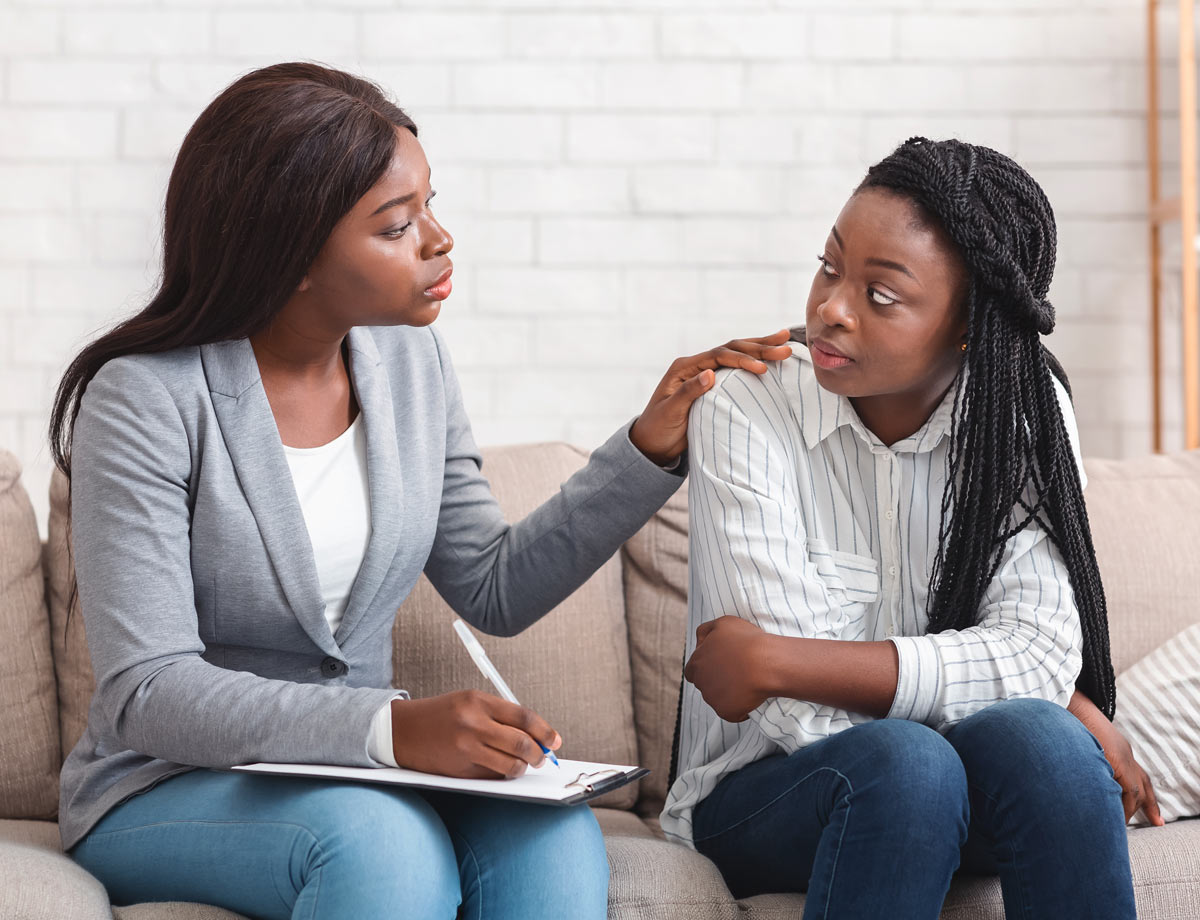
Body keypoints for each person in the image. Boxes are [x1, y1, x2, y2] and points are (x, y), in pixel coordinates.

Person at [47, 62, 791, 920]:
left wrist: (649, 447)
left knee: (550, 835)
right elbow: (150, 690)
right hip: (170, 782)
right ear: (288, 252)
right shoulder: (145, 398)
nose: (439, 241)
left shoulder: (409, 364)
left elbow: (492, 584)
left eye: (432, 207)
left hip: (357, 775)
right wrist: (389, 729)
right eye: (398, 226)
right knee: (380, 846)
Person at [662, 137, 1161, 920]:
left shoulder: (1021, 414)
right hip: (768, 792)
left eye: (880, 295)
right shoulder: (745, 411)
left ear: (967, 327)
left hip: (944, 782)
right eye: (829, 268)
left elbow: (1036, 651)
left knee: (1052, 752)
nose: (830, 307)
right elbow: (797, 714)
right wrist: (1028, 685)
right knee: (914, 764)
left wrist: (783, 658)